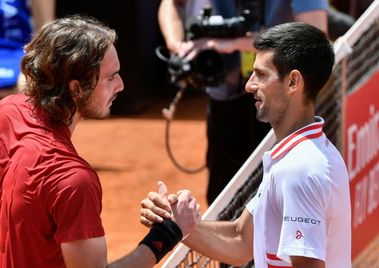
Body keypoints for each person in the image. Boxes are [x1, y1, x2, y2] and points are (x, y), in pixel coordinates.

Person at [0, 15, 201, 268]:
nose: (121, 86)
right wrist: (166, 234)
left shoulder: (0, 114)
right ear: (76, 88)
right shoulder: (73, 180)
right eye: (110, 78)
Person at [141, 22, 351, 267]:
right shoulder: (301, 156)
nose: (249, 85)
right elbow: (241, 240)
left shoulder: (299, 169)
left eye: (261, 74)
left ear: (293, 82)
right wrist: (174, 223)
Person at [158, 0, 330, 205]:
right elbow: (170, 4)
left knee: (279, 198)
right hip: (223, 97)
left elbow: (315, 39)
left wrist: (234, 44)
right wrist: (177, 45)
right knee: (222, 197)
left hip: (281, 107)